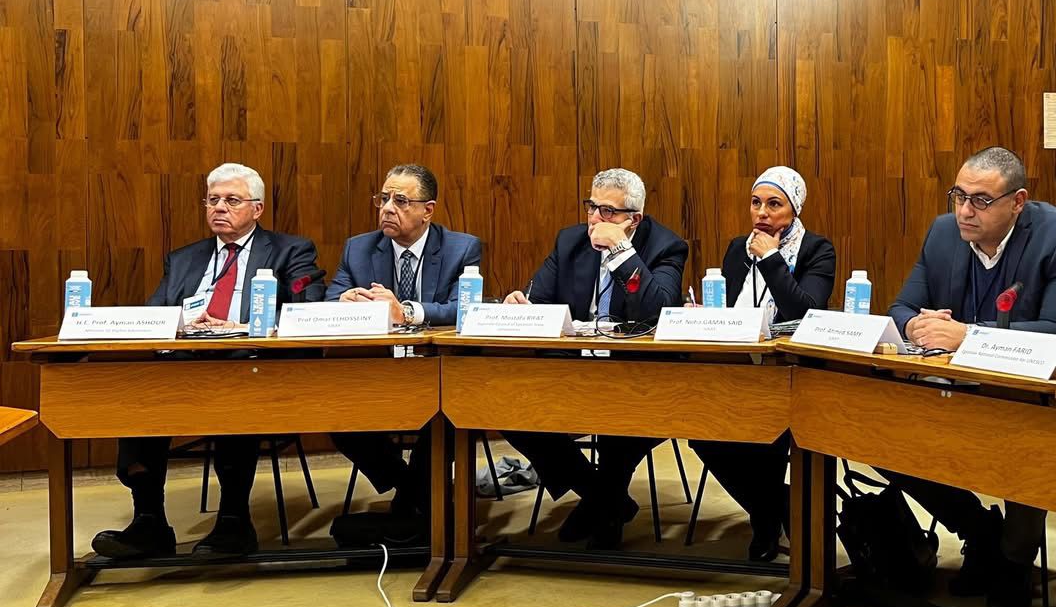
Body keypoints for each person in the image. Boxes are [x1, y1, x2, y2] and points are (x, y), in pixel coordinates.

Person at [881, 146, 1056, 607]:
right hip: (948, 390)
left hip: (1022, 397)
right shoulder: (943, 233)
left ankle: (1014, 560)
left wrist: (968, 336)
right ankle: (979, 532)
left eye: (980, 200)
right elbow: (901, 308)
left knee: (1031, 440)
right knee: (876, 432)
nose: (964, 210)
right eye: (959, 195)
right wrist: (915, 326)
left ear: (1017, 202)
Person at [91, 163, 325, 560]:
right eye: (212, 200)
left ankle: (234, 521)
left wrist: (243, 326)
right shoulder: (184, 259)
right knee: (138, 396)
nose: (219, 207)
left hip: (251, 365)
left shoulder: (291, 251)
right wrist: (182, 323)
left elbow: (308, 307)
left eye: (232, 200)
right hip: (183, 366)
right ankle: (148, 521)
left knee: (231, 389)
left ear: (257, 209)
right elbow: (154, 315)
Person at [501, 168, 688, 549]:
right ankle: (605, 497)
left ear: (634, 219)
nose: (595, 219)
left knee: (621, 418)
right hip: (571, 370)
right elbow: (541, 301)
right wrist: (521, 306)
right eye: (592, 207)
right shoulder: (570, 241)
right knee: (509, 409)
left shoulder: (666, 246)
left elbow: (657, 311)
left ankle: (603, 510)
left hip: (636, 376)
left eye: (608, 212)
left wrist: (621, 252)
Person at [324, 163, 481, 547]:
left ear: (428, 210)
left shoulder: (461, 248)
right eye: (383, 199)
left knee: (444, 414)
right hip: (377, 374)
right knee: (337, 416)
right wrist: (344, 300)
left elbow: (465, 308)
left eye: (400, 201)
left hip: (438, 373)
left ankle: (412, 508)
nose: (387, 209)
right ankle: (417, 494)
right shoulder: (359, 248)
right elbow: (330, 298)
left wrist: (407, 311)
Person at [690, 167, 836, 561]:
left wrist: (771, 258)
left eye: (774, 204)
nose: (762, 213)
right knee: (700, 433)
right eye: (756, 203)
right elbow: (727, 308)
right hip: (736, 370)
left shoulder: (817, 250)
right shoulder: (738, 249)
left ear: (795, 209)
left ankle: (765, 525)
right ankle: (777, 507)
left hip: (791, 374)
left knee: (769, 435)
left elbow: (804, 312)